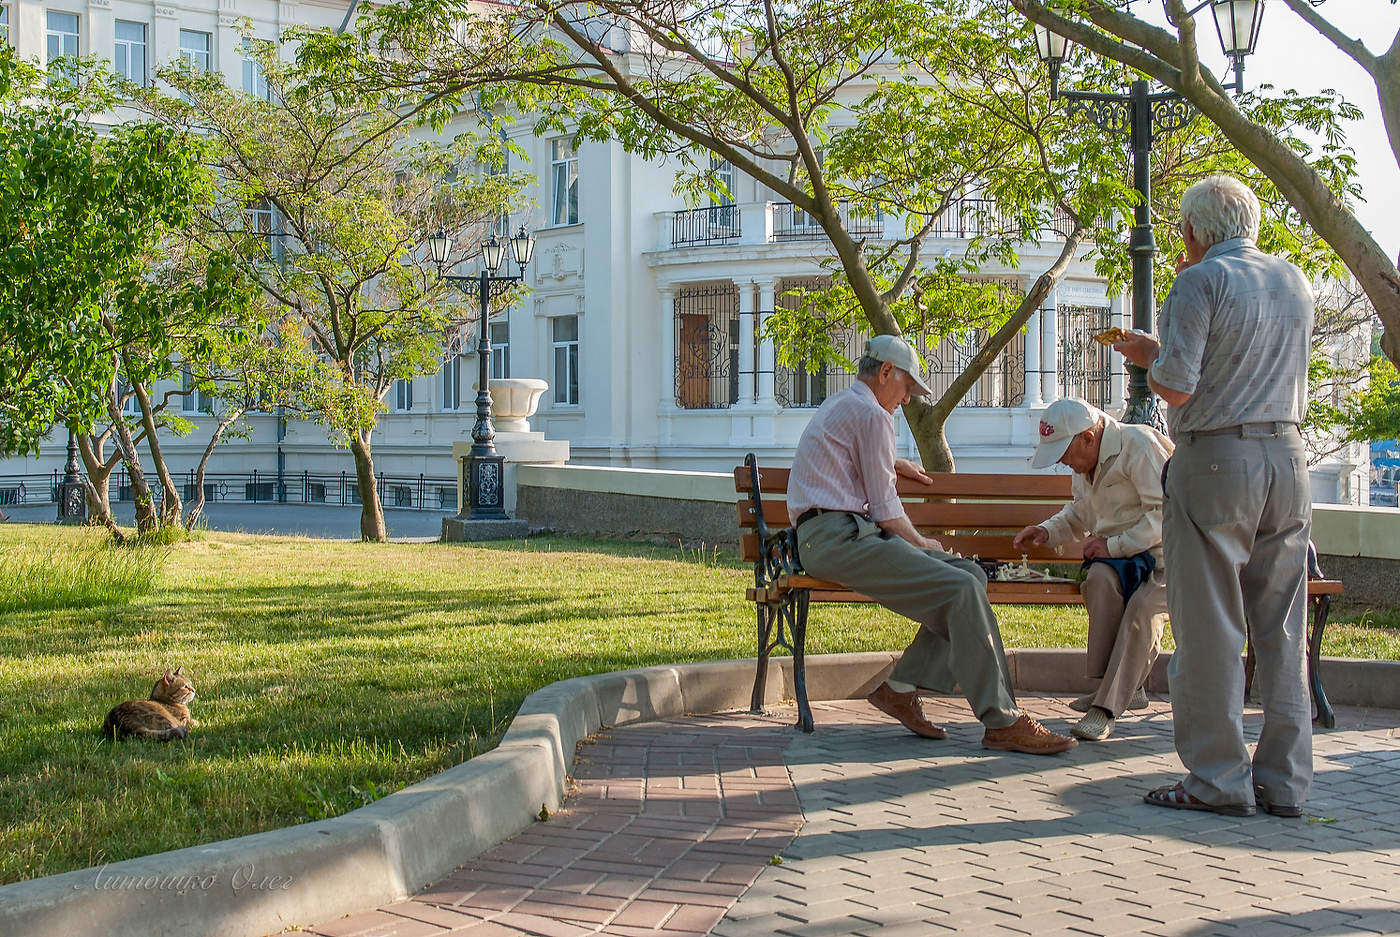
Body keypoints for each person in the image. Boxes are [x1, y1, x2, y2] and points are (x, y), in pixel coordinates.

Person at [1116, 175, 1314, 818]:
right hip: (1288, 456)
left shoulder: (1198, 280)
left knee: (1209, 629)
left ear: (1192, 232)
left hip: (1216, 461)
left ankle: (1218, 781)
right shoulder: (1294, 279)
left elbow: (1175, 386)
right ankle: (1284, 784)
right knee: (1283, 631)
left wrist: (1150, 352)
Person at [787, 333, 1077, 755]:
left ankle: (901, 688)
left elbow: (852, 471)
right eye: (907, 387)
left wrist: (891, 460)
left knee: (971, 575)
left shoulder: (847, 404)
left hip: (836, 535)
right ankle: (1002, 720)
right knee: (959, 588)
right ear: (885, 372)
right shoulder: (871, 414)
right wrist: (926, 543)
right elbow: (886, 510)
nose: (907, 400)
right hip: (838, 539)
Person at [1014, 397, 1173, 742]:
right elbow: (1080, 514)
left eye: (1065, 452)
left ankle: (1105, 710)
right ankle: (1117, 689)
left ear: (1088, 436)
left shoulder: (1140, 446)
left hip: (1172, 559)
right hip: (1124, 560)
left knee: (1142, 612)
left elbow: (1168, 516)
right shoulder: (1085, 465)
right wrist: (1047, 531)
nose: (1064, 463)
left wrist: (1113, 546)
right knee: (1098, 580)